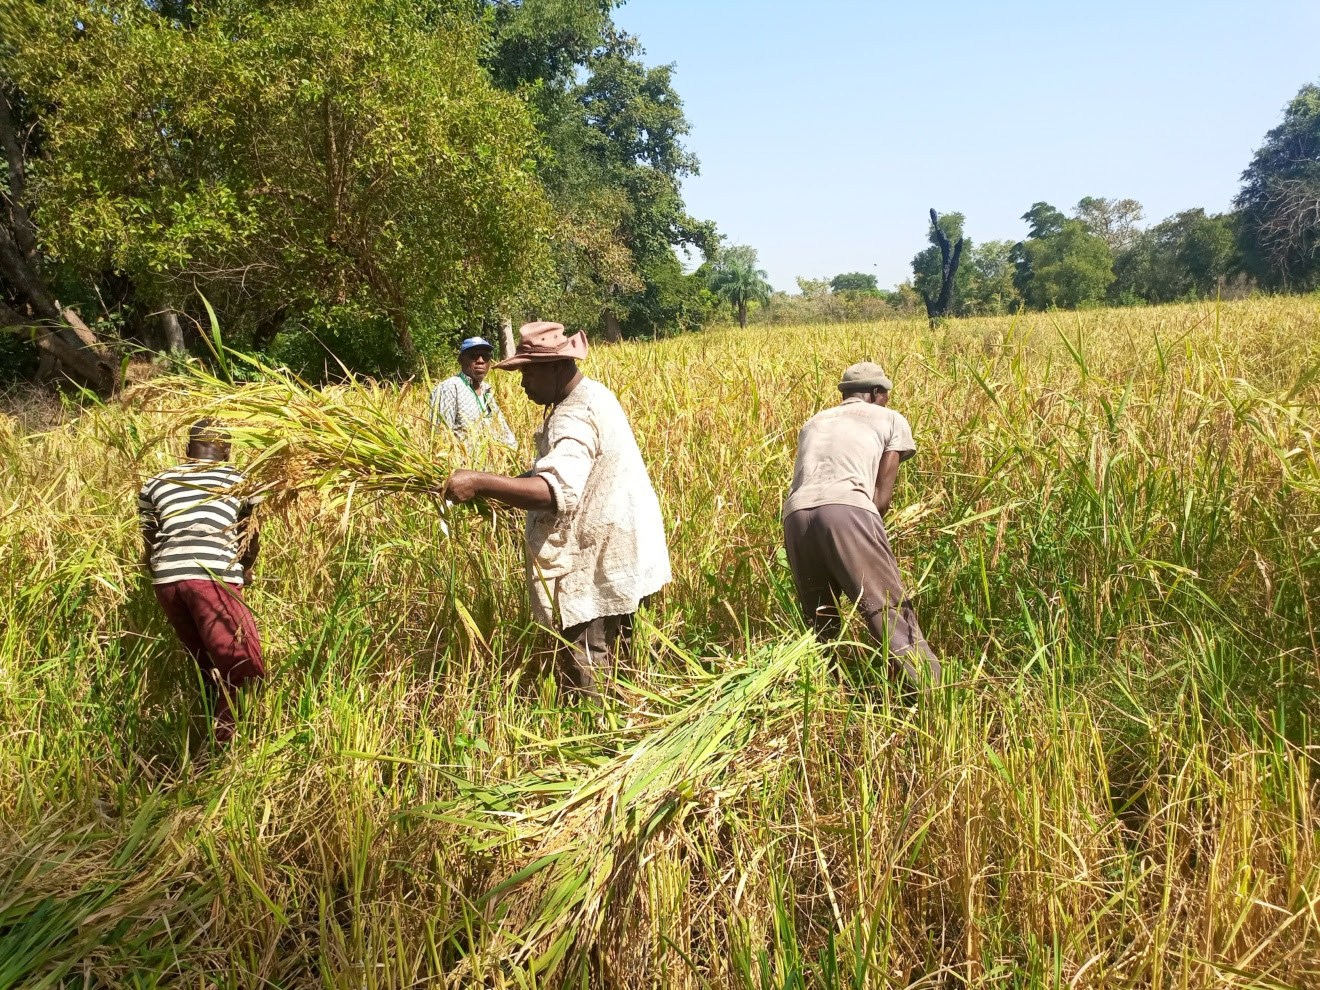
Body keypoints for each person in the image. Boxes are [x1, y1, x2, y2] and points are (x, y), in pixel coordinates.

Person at [441, 321, 671, 696]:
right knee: (624, 657)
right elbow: (562, 471)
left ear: (557, 366)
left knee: (588, 660)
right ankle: (630, 719)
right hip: (627, 547)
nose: (522, 383)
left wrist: (480, 482)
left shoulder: (573, 416)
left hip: (598, 557)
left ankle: (595, 727)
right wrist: (502, 488)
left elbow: (553, 491)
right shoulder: (594, 393)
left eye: (529, 372)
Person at [782, 362, 940, 687]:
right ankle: (934, 693)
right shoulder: (890, 418)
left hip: (795, 516)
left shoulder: (814, 422)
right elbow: (880, 498)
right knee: (887, 609)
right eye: (886, 394)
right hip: (846, 509)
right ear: (877, 392)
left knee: (820, 619)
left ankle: (828, 693)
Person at [138, 420, 264, 743]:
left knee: (209, 669)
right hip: (211, 578)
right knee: (244, 668)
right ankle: (220, 752)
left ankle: (201, 734)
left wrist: (162, 570)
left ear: (187, 449)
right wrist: (245, 568)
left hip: (167, 582)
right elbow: (250, 536)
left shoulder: (155, 483)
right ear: (227, 451)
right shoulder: (240, 480)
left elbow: (150, 539)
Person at [430, 335, 516, 447]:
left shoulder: (487, 392)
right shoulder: (449, 388)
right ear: (461, 360)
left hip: (492, 457)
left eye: (485, 356)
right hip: (463, 458)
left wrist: (517, 453)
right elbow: (441, 437)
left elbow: (505, 432)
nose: (480, 361)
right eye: (474, 356)